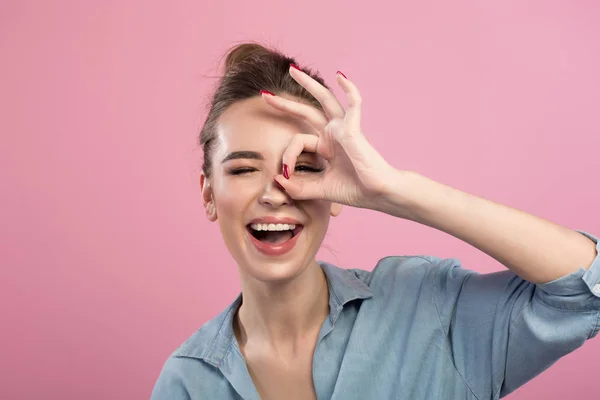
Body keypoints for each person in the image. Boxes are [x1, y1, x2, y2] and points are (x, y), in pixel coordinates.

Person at [150, 43, 600, 400]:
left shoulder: (430, 310)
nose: (273, 192)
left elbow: (586, 293)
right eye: (244, 169)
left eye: (304, 166)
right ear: (209, 194)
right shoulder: (187, 382)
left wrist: (393, 191)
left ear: (336, 187)